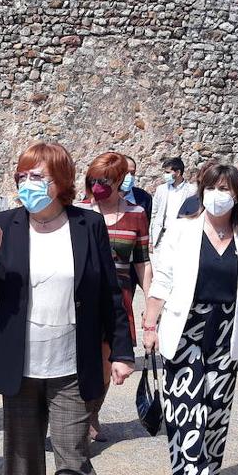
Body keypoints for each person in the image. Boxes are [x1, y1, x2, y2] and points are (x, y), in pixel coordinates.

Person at [0, 142, 135, 475]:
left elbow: (108, 294)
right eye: (23, 177)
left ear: (60, 182)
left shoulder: (87, 224)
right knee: (22, 451)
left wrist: (121, 352)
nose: (29, 185)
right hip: (19, 363)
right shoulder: (3, 226)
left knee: (73, 455)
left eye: (37, 178)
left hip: (70, 364)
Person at [141, 163, 238, 475]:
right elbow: (161, 282)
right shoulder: (182, 231)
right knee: (186, 411)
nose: (218, 195)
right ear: (202, 191)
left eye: (226, 189)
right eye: (212, 187)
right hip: (186, 331)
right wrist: (150, 325)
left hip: (226, 332)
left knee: (215, 413)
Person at [74, 152, 151, 442]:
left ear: (120, 180)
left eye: (104, 180)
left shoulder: (136, 214)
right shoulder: (76, 210)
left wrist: (151, 309)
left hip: (118, 299)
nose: (98, 185)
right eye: (93, 179)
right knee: (79, 359)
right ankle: (76, 418)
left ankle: (93, 411)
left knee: (107, 364)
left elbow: (142, 262)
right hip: (81, 298)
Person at [151, 156, 194, 250]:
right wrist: (151, 239)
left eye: (168, 172)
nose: (165, 175)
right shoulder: (161, 189)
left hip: (182, 238)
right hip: (162, 237)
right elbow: (153, 213)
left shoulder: (192, 190)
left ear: (178, 172)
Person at [122, 155, 153, 221]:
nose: (129, 176)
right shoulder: (106, 197)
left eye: (132, 173)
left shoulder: (144, 197)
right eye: (126, 172)